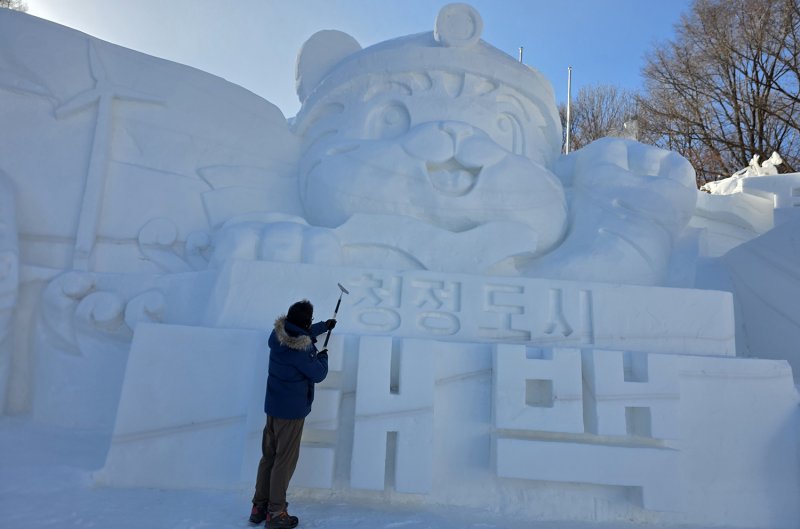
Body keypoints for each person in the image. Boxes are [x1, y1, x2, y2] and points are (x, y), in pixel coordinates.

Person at [249, 299, 336, 528]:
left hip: (273, 408)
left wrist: (323, 326)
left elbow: (297, 333)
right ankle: (276, 512)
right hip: (291, 414)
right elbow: (318, 374)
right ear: (306, 323)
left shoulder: (277, 335)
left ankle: (259, 506)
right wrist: (323, 357)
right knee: (284, 461)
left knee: (269, 457)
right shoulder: (302, 351)